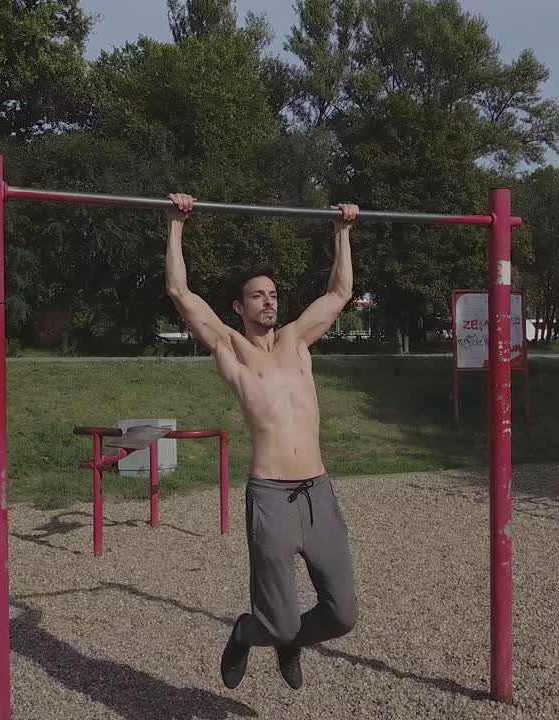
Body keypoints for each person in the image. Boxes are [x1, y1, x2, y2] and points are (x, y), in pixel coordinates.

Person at [164, 192, 360, 691]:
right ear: (239, 306)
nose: (268, 300)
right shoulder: (230, 347)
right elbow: (180, 292)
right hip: (272, 497)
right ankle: (248, 634)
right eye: (257, 295)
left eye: (272, 294)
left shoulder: (297, 340)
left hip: (318, 492)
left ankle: (288, 638)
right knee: (277, 623)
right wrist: (176, 225)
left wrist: (342, 232)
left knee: (342, 614)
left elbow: (340, 292)